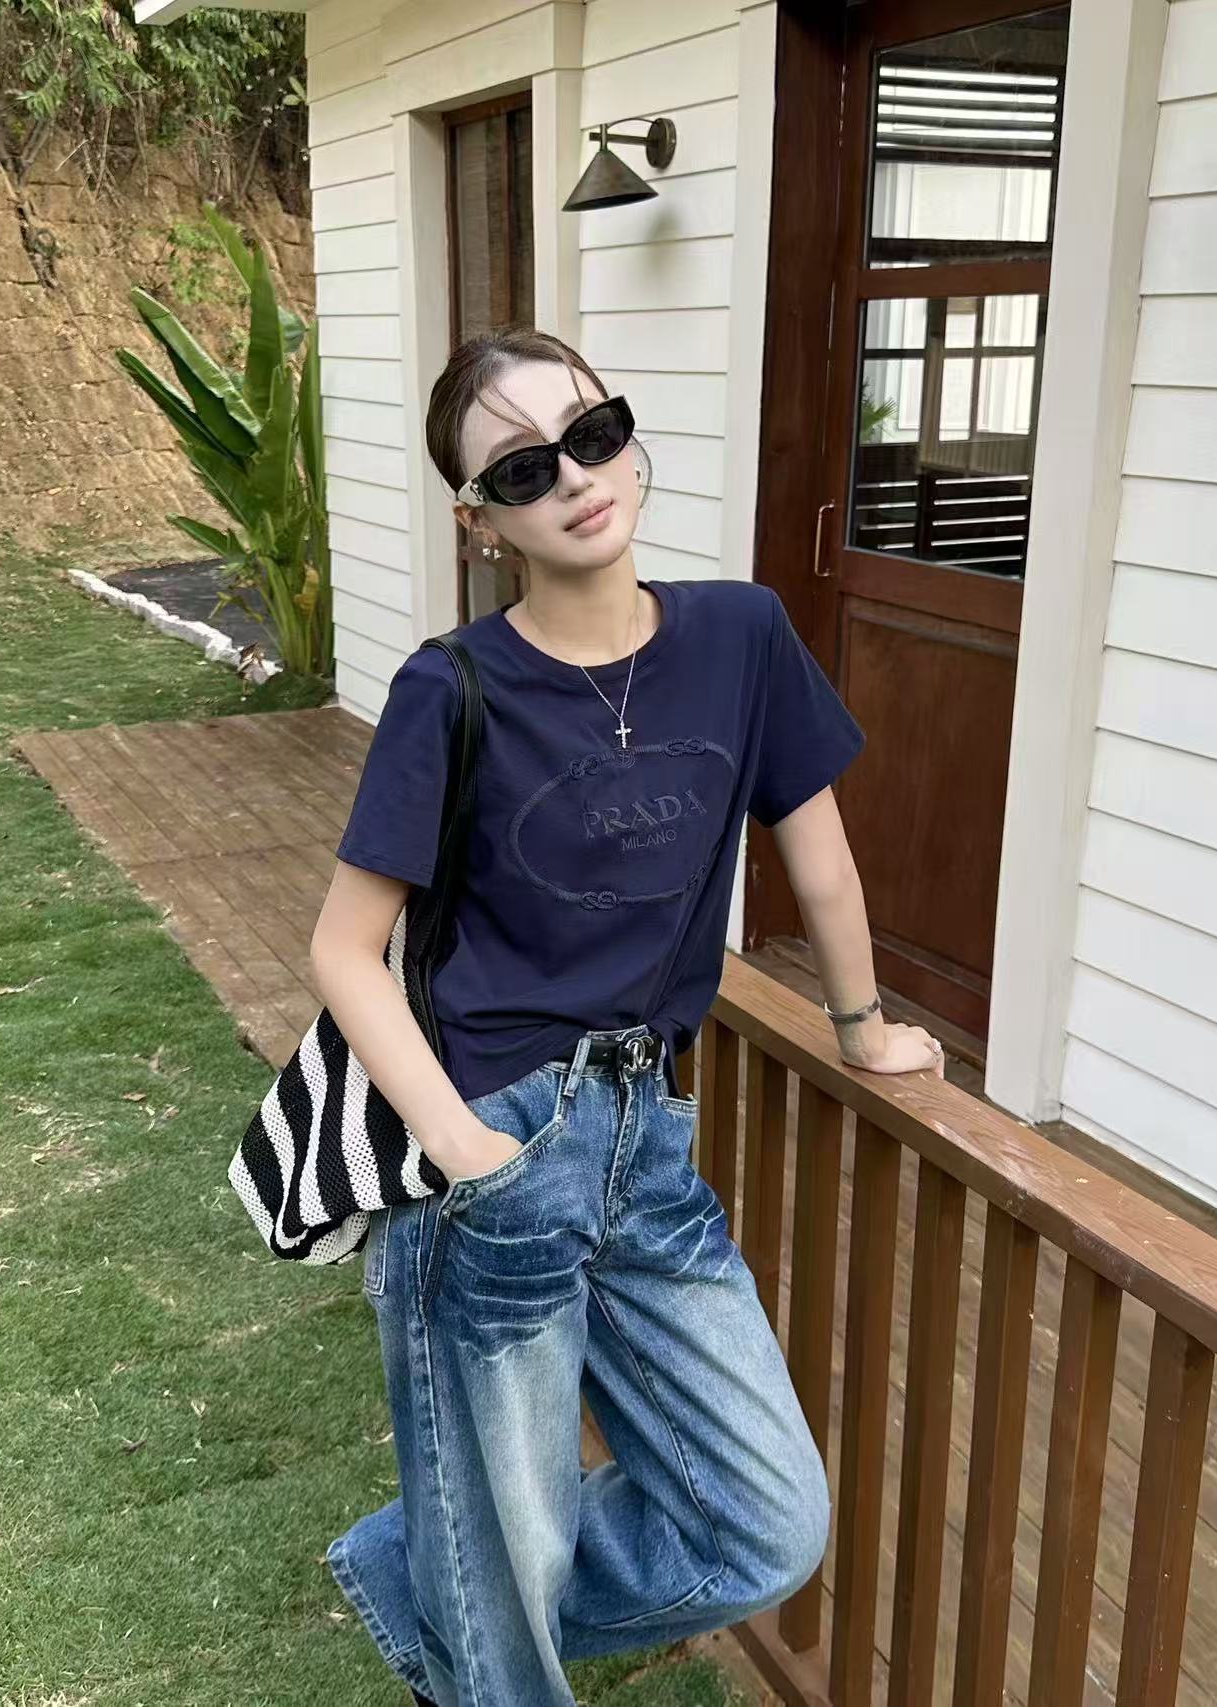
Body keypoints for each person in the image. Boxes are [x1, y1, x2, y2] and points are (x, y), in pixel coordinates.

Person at [312, 328, 944, 1706]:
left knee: (763, 1523)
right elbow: (344, 951)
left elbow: (820, 863)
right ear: (483, 523)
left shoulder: (742, 635)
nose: (574, 478)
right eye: (523, 468)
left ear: (627, 439)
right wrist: (467, 1154)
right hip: (496, 1148)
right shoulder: (450, 686)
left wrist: (860, 1025)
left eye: (591, 434)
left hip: (648, 1143)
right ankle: (477, 1597)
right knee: (510, 1573)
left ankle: (433, 1577)